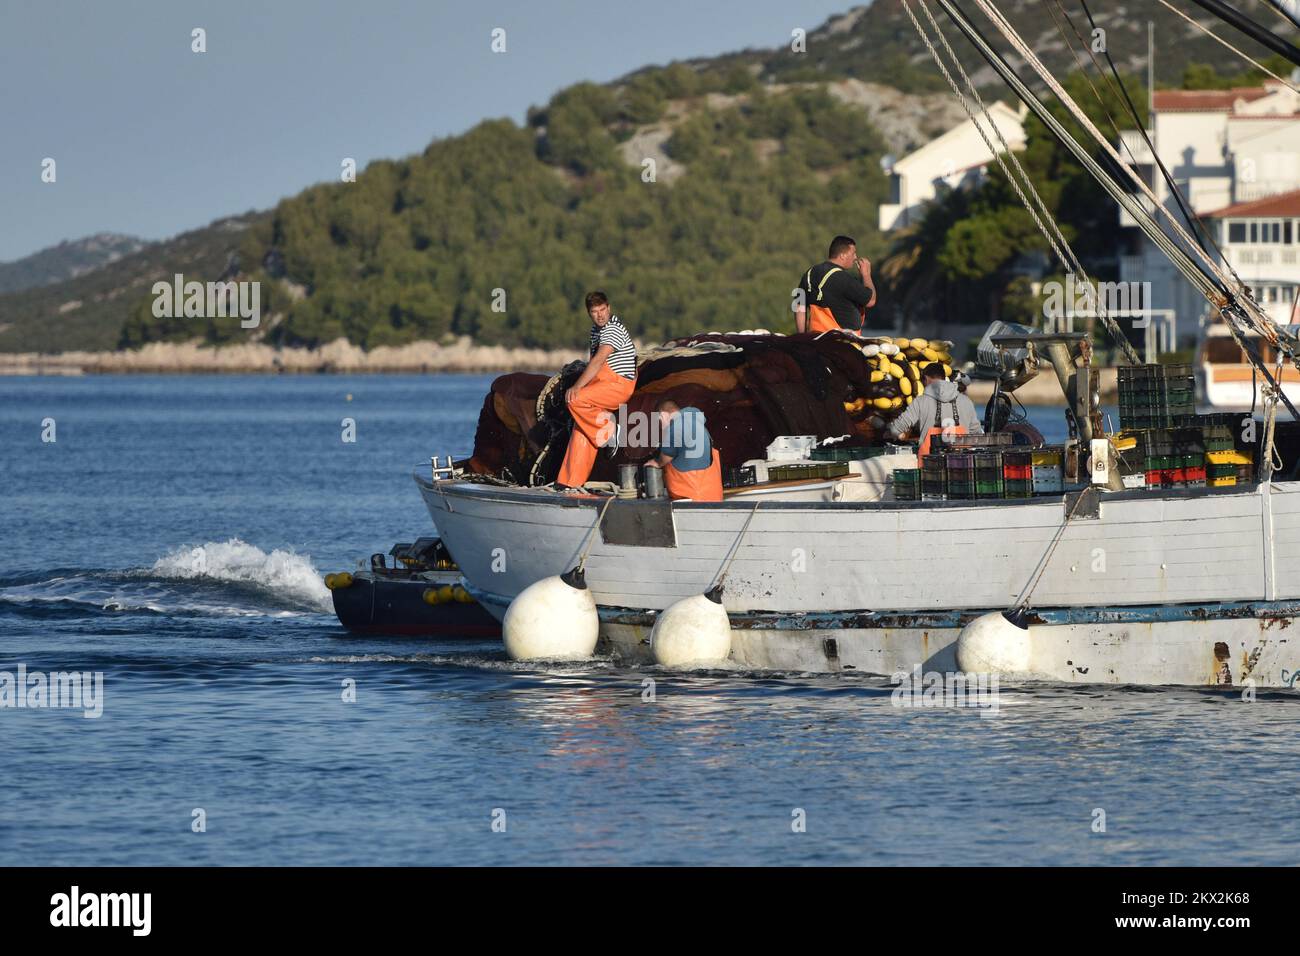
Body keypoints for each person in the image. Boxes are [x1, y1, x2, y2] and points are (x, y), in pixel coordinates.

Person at [556, 292, 638, 489]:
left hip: (617, 385)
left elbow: (599, 360)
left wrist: (577, 386)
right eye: (595, 311)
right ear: (589, 313)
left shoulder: (613, 329)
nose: (600, 315)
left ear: (609, 308)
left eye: (602, 310)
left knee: (574, 399)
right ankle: (570, 483)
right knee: (581, 430)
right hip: (602, 384)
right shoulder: (596, 331)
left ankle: (610, 430)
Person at [889, 362, 983, 457]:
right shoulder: (966, 401)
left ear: (925, 379)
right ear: (944, 378)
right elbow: (976, 434)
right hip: (961, 462)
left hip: (929, 464)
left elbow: (896, 429)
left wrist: (899, 435)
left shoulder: (920, 402)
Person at [794, 235, 877, 334]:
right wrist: (866, 274)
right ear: (842, 255)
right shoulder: (842, 278)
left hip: (816, 337)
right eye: (853, 253)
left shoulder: (810, 273)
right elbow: (871, 301)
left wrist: (802, 336)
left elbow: (798, 305)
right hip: (840, 339)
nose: (855, 257)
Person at [644, 399, 723, 502]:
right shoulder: (698, 425)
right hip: (714, 496)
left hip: (692, 500)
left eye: (659, 422)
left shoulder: (677, 427)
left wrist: (657, 462)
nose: (662, 427)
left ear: (663, 415)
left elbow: (666, 456)